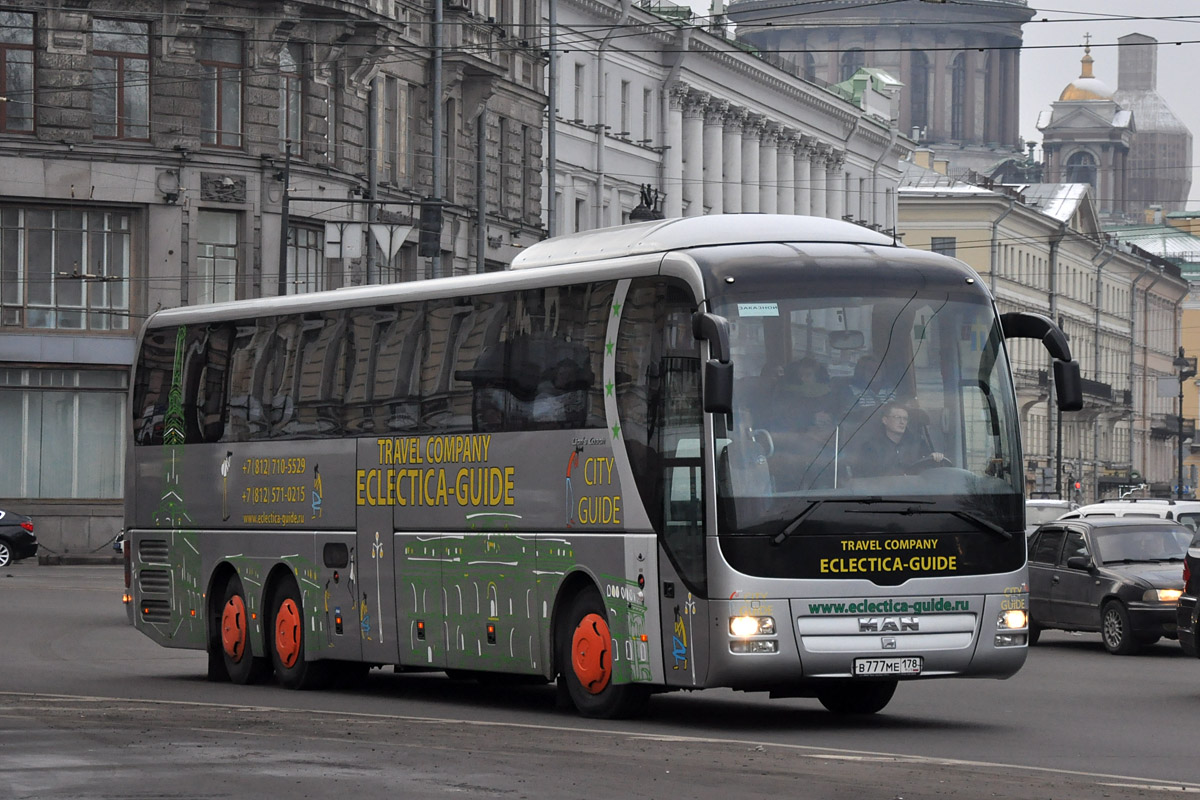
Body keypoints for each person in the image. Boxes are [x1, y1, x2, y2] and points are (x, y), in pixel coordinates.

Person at [851, 402, 949, 478]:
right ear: (885, 420)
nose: (902, 422)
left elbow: (928, 469)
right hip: (883, 496)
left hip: (914, 493)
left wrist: (936, 458)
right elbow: (863, 479)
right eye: (897, 417)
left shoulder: (918, 444)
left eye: (905, 419)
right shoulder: (870, 447)